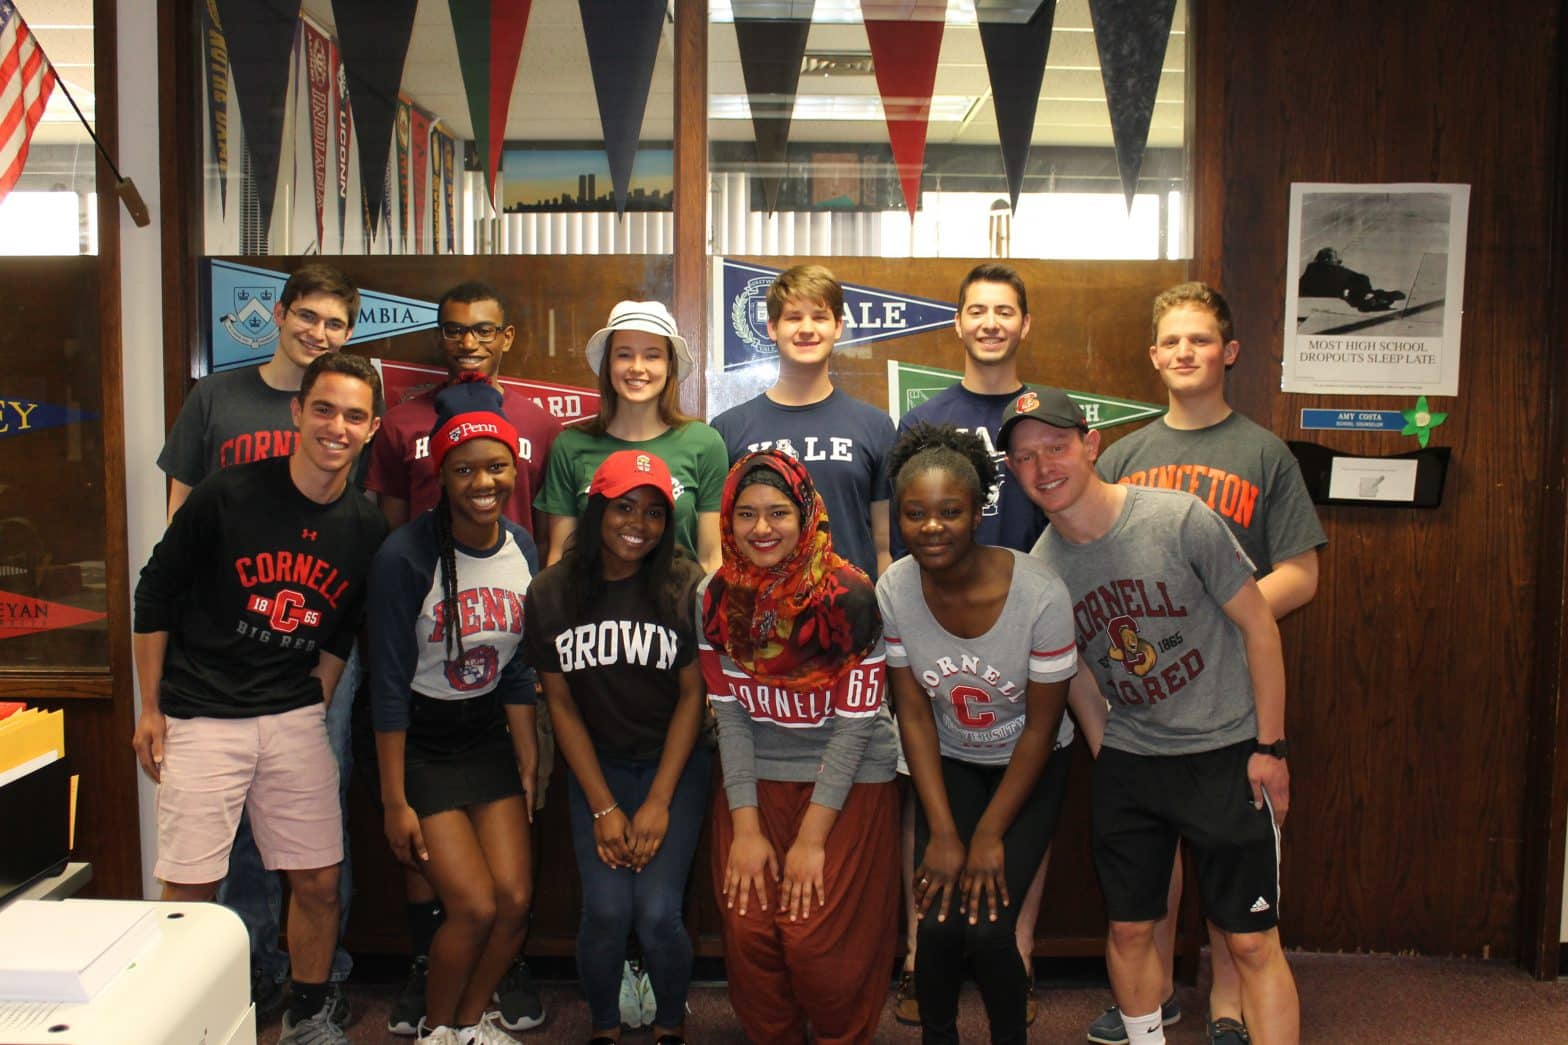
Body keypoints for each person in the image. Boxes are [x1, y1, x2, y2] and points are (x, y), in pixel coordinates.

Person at [1002, 387, 1301, 1045]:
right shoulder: (1043, 572)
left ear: (1090, 444)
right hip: (1135, 758)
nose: (1044, 466)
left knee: (1251, 938)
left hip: (1227, 749)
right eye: (1025, 457)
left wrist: (1270, 748)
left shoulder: (1178, 518)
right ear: (1013, 472)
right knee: (1131, 927)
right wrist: (1113, 751)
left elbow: (1259, 628)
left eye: (1056, 446)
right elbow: (1078, 672)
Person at [1088, 282, 1326, 1045]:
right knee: (1151, 879)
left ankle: (1227, 1002)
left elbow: (1302, 572)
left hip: (1233, 693)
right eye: (1171, 342)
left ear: (1227, 352)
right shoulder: (1125, 455)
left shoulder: (1262, 451)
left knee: (1232, 870)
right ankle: (1151, 1001)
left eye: (1200, 340)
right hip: (1147, 703)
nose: (1185, 352)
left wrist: (1223, 607)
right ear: (1154, 356)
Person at [132, 352, 388, 1045]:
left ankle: (308, 1010)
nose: (338, 426)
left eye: (355, 415)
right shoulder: (228, 493)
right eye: (326, 409)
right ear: (298, 412)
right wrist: (150, 708)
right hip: (201, 711)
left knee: (320, 881)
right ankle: (178, 1018)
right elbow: (153, 592)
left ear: (371, 429)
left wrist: (321, 691)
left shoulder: (367, 525)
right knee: (189, 890)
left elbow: (345, 622)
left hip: (291, 716)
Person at [364, 281, 560, 1035]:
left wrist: (527, 758)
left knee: (514, 901)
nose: (484, 484)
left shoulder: (522, 548)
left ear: (516, 472)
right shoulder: (402, 558)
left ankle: (469, 1022)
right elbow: (385, 684)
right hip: (421, 739)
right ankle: (439, 1028)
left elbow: (513, 666)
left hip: (486, 735)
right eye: (465, 471)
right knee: (473, 903)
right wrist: (393, 798)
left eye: (497, 469)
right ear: (439, 477)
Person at [878, 424, 1077, 1044]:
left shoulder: (1040, 594)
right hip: (952, 761)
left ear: (977, 512)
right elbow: (911, 711)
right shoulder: (896, 588)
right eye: (915, 514)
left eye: (949, 512)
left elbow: (1043, 726)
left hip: (1029, 764)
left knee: (988, 924)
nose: (931, 527)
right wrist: (941, 831)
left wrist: (989, 834)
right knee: (936, 920)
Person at [890, 263, 1048, 1026]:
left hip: (1030, 633)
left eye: (1004, 310)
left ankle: (1013, 959)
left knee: (997, 910)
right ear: (958, 323)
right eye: (976, 309)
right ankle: (928, 967)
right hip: (948, 652)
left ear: (1024, 323)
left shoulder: (1039, 418)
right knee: (944, 895)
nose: (990, 321)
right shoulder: (929, 417)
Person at [699, 450, 900, 1044]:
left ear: (806, 513)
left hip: (850, 775)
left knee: (816, 942)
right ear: (727, 522)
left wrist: (812, 841)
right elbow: (731, 721)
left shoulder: (850, 596)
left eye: (778, 512)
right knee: (748, 930)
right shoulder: (714, 600)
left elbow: (856, 727)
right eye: (746, 515)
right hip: (756, 775)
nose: (762, 529)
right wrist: (747, 829)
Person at [525, 450, 709, 1045]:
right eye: (625, 507)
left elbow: (691, 699)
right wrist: (603, 807)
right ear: (597, 508)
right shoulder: (552, 591)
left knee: (657, 913)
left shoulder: (684, 583)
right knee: (605, 912)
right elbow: (561, 705)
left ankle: (669, 1024)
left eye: (655, 512)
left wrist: (657, 802)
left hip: (674, 763)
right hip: (596, 763)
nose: (639, 523)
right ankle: (604, 1027)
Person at [710, 264, 896, 581]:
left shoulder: (875, 427)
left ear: (838, 326)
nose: (806, 329)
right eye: (794, 317)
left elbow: (883, 549)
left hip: (850, 618)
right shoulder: (729, 429)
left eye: (819, 317)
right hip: (761, 620)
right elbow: (719, 546)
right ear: (772, 327)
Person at [536, 300, 726, 572]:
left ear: (670, 365)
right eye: (624, 354)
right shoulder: (569, 446)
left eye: (652, 355)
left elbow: (710, 559)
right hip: (591, 610)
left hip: (676, 609)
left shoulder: (705, 444)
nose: (637, 367)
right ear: (608, 363)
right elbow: (560, 555)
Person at [1297, 247, 1406, 312]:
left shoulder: (1311, 268)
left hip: (1325, 292)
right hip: (1340, 291)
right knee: (1360, 281)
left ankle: (1372, 297)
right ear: (1329, 260)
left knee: (1352, 289)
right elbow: (1360, 277)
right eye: (1336, 261)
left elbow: (1302, 285)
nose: (1338, 264)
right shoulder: (1336, 270)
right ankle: (1371, 296)